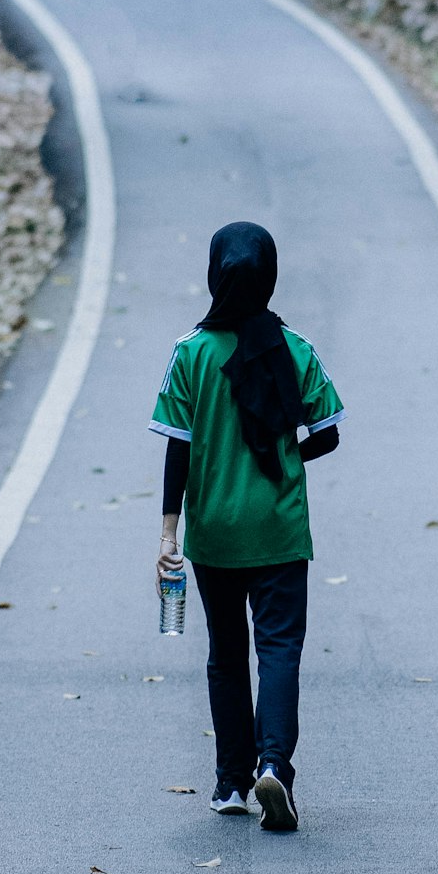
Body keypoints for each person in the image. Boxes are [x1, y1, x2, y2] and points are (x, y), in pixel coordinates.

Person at [149, 221, 343, 832]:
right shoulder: (296, 348)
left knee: (227, 656)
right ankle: (275, 768)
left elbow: (176, 451)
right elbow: (328, 432)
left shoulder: (190, 353)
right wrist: (281, 458)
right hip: (280, 528)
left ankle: (231, 783)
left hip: (215, 532)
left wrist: (167, 534)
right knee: (280, 650)